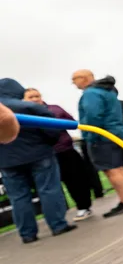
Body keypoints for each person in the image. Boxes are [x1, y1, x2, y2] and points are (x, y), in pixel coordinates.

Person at [0, 79, 77, 243]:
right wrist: (47, 144)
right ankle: (58, 225)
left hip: (6, 161)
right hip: (39, 154)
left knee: (18, 197)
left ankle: (27, 234)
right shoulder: (31, 107)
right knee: (48, 190)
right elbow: (52, 129)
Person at [72, 70, 123, 216]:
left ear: (83, 78)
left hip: (102, 137)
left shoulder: (91, 93)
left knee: (112, 170)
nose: (73, 83)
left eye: (74, 79)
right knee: (120, 168)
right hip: (115, 134)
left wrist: (91, 136)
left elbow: (93, 116)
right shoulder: (107, 91)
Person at [23, 88, 96, 220]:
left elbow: (72, 122)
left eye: (36, 96)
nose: (34, 99)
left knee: (76, 181)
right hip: (41, 156)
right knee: (50, 187)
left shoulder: (54, 109)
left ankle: (84, 207)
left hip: (65, 151)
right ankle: (57, 217)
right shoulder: (22, 114)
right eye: (30, 97)